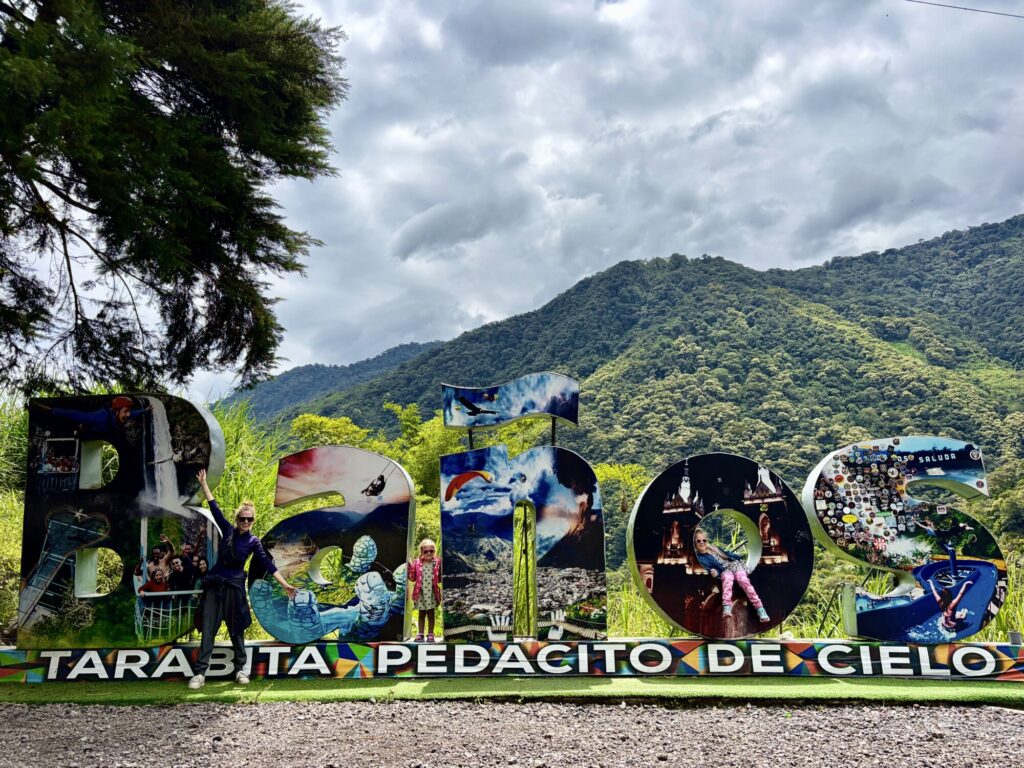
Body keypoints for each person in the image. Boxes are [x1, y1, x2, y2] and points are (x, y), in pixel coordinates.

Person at [188, 469, 297, 689]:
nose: (246, 521)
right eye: (243, 518)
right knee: (208, 628)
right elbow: (214, 508)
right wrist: (204, 484)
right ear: (237, 519)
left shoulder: (254, 542)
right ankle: (200, 673)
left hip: (235, 588)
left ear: (253, 521)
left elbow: (267, 563)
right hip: (215, 584)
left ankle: (240, 670)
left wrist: (284, 584)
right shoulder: (228, 530)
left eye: (250, 519)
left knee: (236, 629)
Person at [693, 531, 769, 622]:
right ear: (695, 542)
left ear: (707, 541)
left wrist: (737, 557)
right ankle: (727, 608)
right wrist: (715, 573)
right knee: (727, 579)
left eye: (704, 540)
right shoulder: (701, 557)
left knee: (744, 581)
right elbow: (710, 568)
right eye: (698, 541)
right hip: (724, 570)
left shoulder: (713, 547)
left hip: (734, 565)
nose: (702, 543)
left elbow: (726, 553)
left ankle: (760, 609)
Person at [408, 538, 441, 642]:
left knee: (431, 613)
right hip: (421, 592)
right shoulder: (417, 563)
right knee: (421, 613)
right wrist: (410, 566)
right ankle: (420, 633)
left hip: (432, 592)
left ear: (434, 551)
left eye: (431, 551)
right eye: (426, 551)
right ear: (421, 552)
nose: (429, 553)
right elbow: (412, 578)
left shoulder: (437, 563)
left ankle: (431, 634)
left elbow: (440, 578)